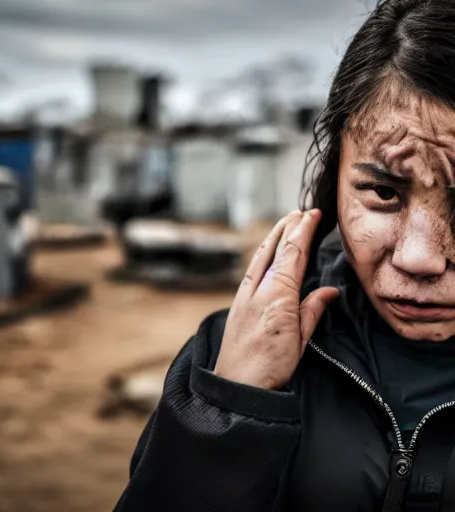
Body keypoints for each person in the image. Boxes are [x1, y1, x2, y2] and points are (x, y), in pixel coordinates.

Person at [113, 0, 455, 510]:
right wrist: (229, 411)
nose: (420, 258)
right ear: (335, 174)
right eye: (383, 193)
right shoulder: (232, 354)